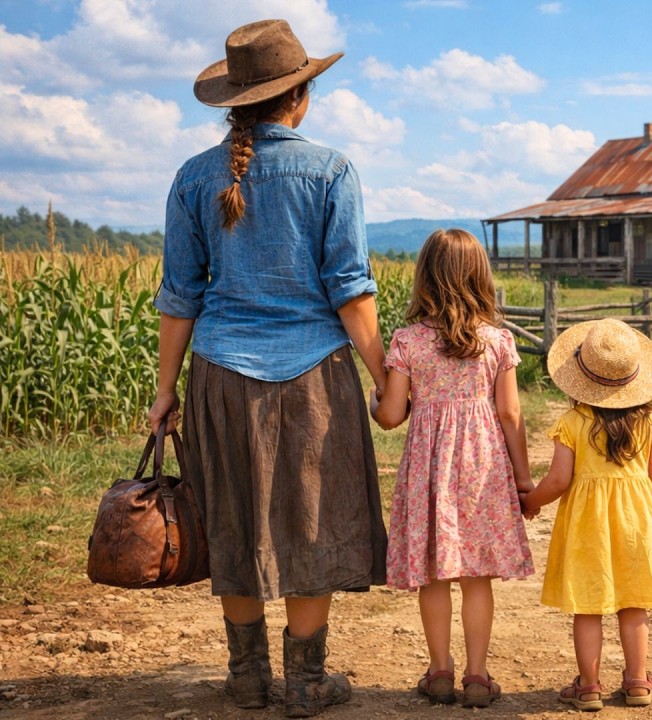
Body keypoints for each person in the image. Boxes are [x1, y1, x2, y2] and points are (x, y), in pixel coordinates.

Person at [147, 19, 387, 719]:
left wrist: (165, 391)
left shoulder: (193, 177)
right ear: (300, 97)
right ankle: (308, 682)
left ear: (234, 101)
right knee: (315, 520)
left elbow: (179, 297)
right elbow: (351, 287)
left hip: (219, 375)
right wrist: (382, 376)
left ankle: (248, 677)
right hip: (316, 377)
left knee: (233, 514)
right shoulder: (332, 171)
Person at [368, 228, 535, 709]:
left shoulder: (408, 342)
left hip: (429, 467)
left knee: (435, 575)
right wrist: (523, 479)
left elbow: (392, 417)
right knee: (477, 575)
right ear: (479, 277)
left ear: (426, 279)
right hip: (482, 466)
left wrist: (376, 398)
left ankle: (439, 672)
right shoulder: (498, 341)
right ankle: (478, 677)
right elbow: (509, 414)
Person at [521, 318, 652, 711]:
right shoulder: (649, 422)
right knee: (634, 602)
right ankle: (637, 682)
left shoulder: (574, 423)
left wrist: (531, 501)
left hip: (587, 525)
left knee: (588, 605)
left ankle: (589, 686)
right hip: (638, 522)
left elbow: (559, 480)